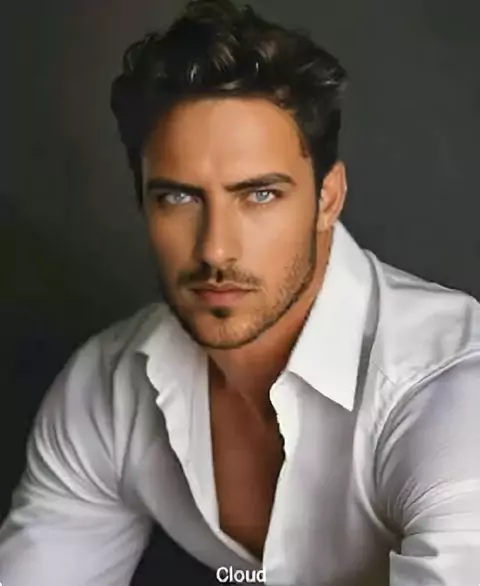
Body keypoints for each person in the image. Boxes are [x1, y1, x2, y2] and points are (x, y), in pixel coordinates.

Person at [1, 0, 480, 584]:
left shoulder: (448, 394)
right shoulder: (109, 387)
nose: (215, 250)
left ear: (328, 198)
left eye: (259, 195)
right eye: (179, 197)